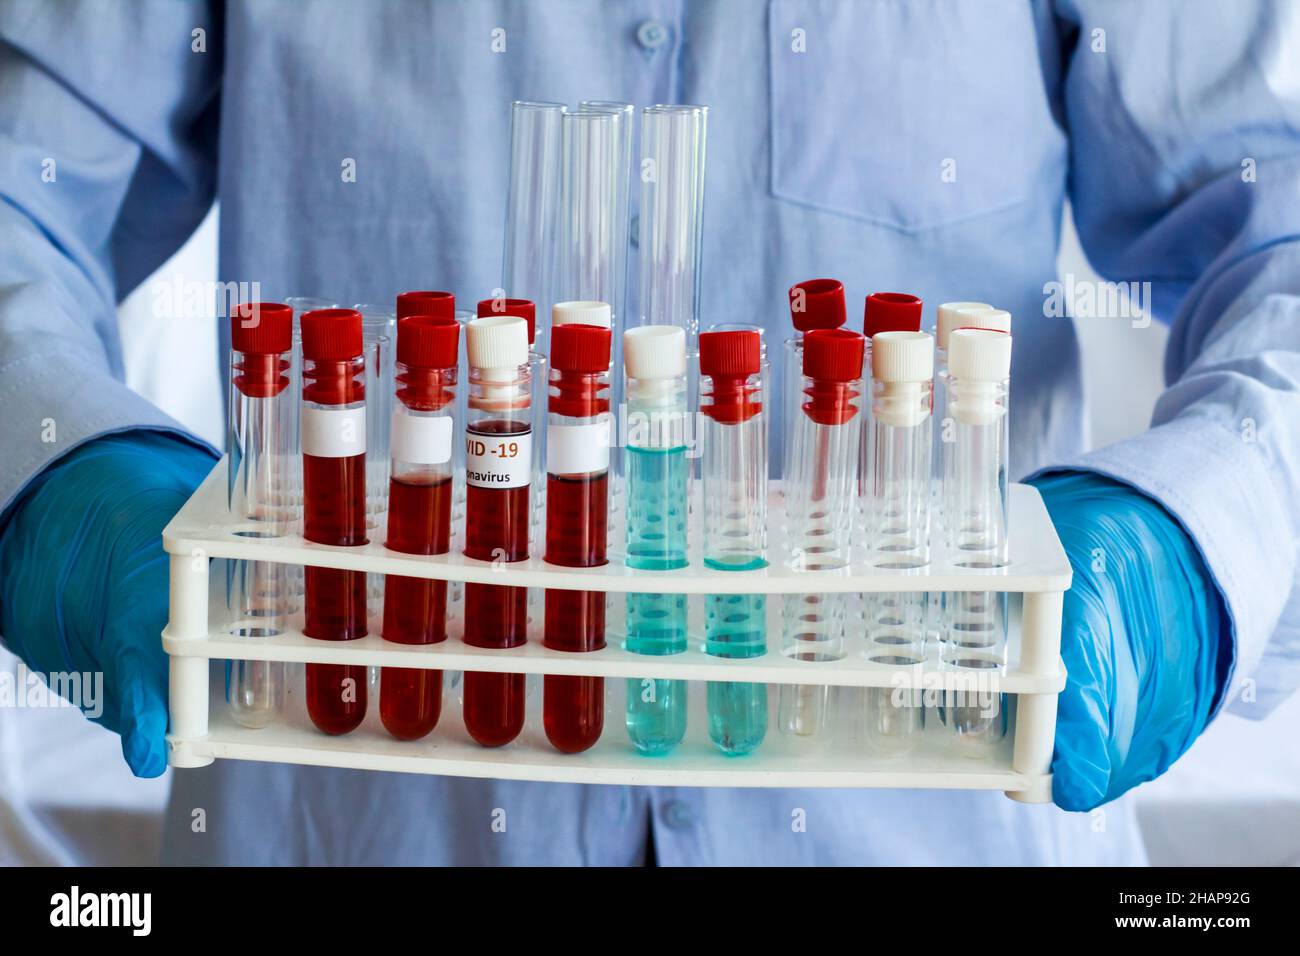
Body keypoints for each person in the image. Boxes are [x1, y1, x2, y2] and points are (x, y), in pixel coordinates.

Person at [0, 0, 1295, 866]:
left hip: (942, 803)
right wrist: (55, 462)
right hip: (361, 801)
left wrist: (1196, 540)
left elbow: (1275, 218)